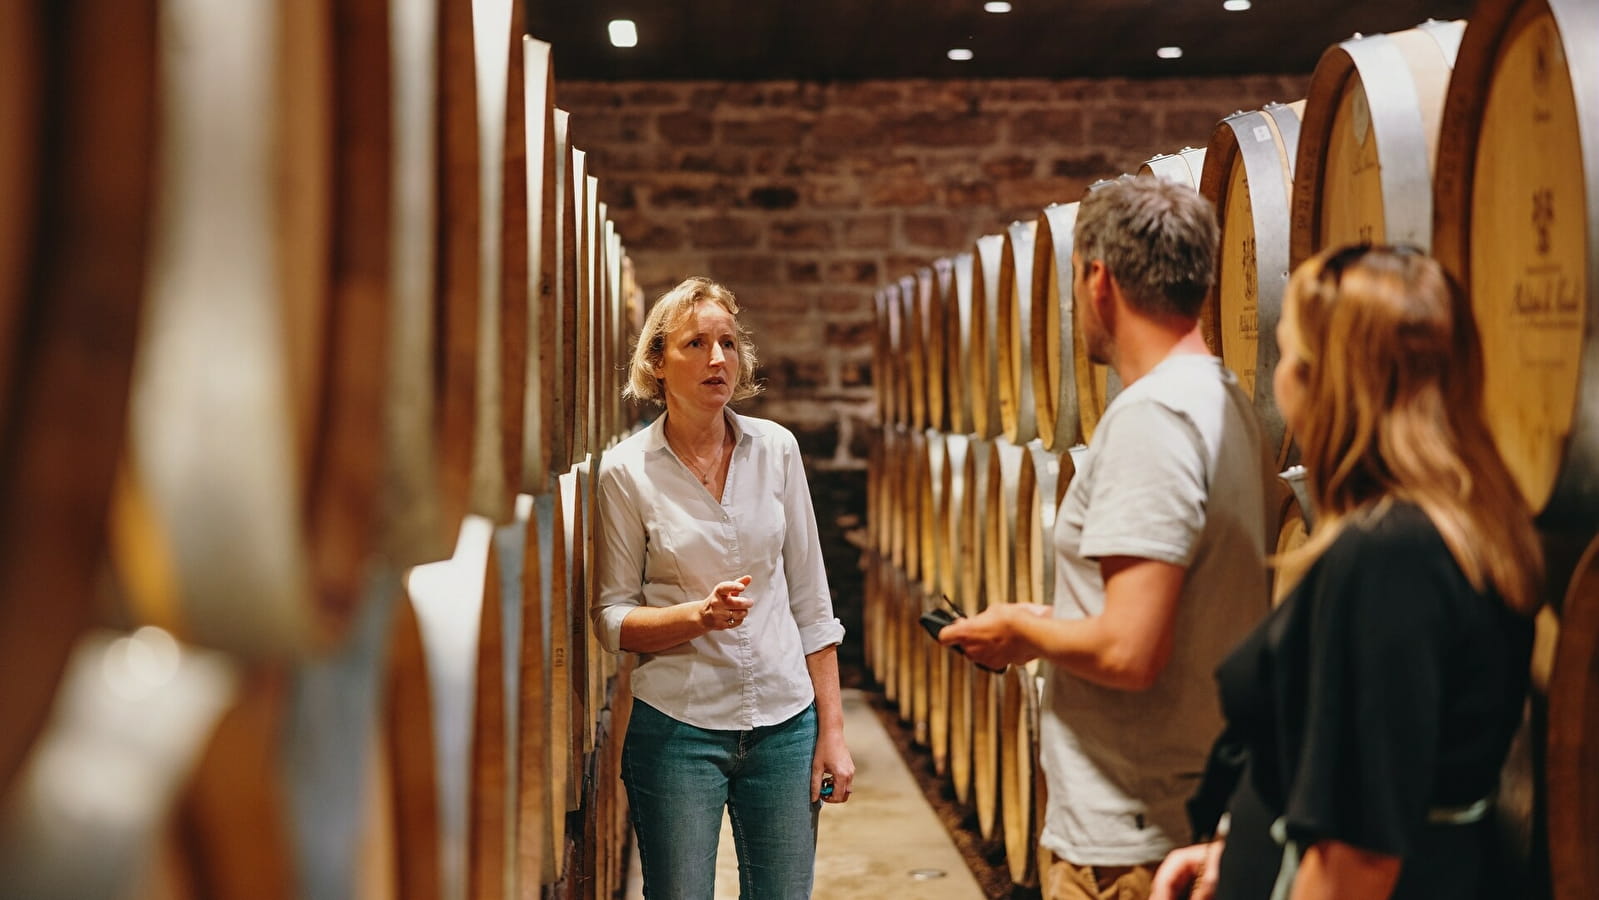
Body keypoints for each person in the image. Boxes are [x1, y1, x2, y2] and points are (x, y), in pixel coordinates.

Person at [1150, 245, 1542, 900]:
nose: (1275, 378)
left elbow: (1355, 861)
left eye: (1287, 356)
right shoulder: (1454, 527)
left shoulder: (1388, 557)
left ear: (1321, 380)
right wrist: (1234, 845)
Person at [940, 175, 1273, 900]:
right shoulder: (1224, 398)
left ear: (1099, 280)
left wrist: (1018, 633)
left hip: (1131, 842)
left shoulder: (1149, 420)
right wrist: (1050, 622)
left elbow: (1128, 651)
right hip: (1188, 802)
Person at [593, 275, 854, 899]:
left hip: (785, 726)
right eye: (695, 345)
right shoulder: (626, 472)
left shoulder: (777, 449)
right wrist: (697, 618)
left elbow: (812, 603)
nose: (717, 360)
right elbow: (611, 617)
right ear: (656, 363)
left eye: (728, 344)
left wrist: (832, 733)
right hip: (678, 729)